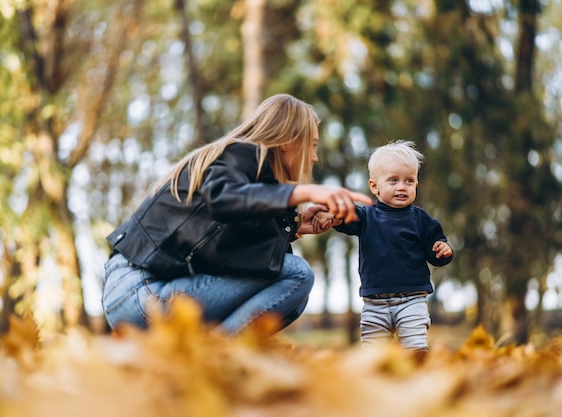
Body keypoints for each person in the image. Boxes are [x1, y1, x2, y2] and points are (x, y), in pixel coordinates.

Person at [102, 93, 373, 336]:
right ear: (289, 142)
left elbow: (241, 253)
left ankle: (201, 357)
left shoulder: (247, 173)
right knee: (298, 274)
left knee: (295, 293)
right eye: (312, 145)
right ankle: (214, 359)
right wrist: (303, 193)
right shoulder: (240, 154)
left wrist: (296, 224)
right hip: (139, 292)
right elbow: (225, 199)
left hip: (136, 294)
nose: (314, 158)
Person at [313, 140, 453, 350]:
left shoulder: (421, 220)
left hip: (412, 300)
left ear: (416, 184)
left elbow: (435, 250)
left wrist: (443, 250)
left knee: (415, 348)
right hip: (374, 303)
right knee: (373, 353)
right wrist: (332, 214)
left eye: (409, 181)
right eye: (393, 180)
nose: (401, 187)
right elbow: (347, 217)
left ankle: (418, 380)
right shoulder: (367, 216)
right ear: (374, 186)